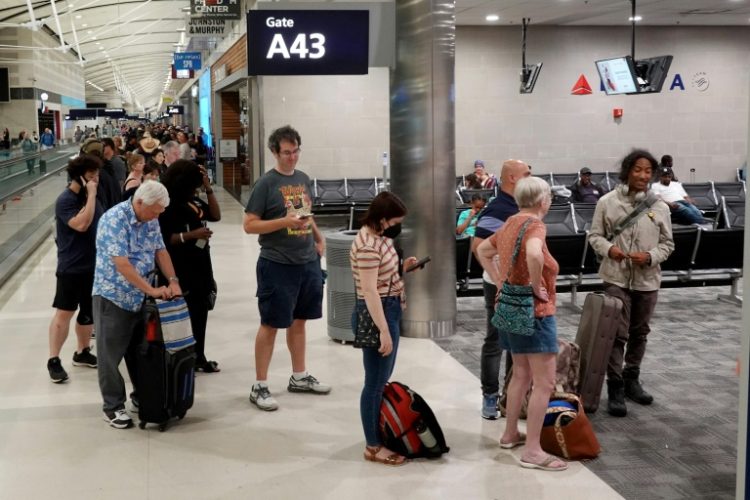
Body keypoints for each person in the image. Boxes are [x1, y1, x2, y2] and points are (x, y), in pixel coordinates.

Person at [476, 176, 566, 471]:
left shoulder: (511, 222)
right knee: (544, 383)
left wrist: (500, 278)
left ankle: (510, 433)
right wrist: (537, 284)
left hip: (510, 308)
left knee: (520, 375)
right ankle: (532, 451)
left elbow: (482, 250)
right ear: (543, 201)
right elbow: (532, 253)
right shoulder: (536, 225)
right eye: (549, 197)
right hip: (535, 313)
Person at [243, 125, 330, 411]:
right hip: (277, 263)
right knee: (270, 324)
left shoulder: (302, 179)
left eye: (296, 152)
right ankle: (260, 385)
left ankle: (300, 375)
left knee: (300, 321)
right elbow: (249, 225)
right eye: (287, 153)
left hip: (307, 262)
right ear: (274, 152)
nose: (292, 158)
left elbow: (305, 213)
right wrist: (284, 222)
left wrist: (317, 237)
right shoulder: (266, 184)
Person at [588, 149, 674, 417]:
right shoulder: (607, 202)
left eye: (648, 171)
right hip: (616, 276)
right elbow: (594, 236)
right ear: (627, 171)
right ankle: (614, 386)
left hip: (648, 280)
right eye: (638, 169)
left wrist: (650, 257)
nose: (643, 175)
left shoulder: (659, 206)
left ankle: (631, 379)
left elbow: (668, 244)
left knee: (640, 333)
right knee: (616, 333)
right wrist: (609, 249)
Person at [93, 181, 182, 429]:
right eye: (155, 210)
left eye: (160, 212)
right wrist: (152, 289)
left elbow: (160, 250)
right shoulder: (115, 220)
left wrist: (172, 281)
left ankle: (142, 397)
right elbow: (122, 264)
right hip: (113, 296)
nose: (157, 215)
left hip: (140, 298)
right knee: (109, 356)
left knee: (139, 352)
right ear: (140, 202)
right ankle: (112, 406)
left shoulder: (151, 217)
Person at [349, 192, 421, 466]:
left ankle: (377, 432)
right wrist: (383, 330)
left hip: (388, 308)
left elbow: (381, 277)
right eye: (394, 221)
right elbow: (368, 291)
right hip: (376, 314)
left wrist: (404, 268)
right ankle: (373, 446)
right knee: (375, 384)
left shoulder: (380, 238)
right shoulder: (368, 245)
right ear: (382, 219)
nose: (396, 226)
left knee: (381, 379)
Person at [471, 159, 530, 420]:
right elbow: (478, 246)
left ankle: (511, 395)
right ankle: (490, 395)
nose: (531, 177)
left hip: (519, 285)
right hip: (498, 285)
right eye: (526, 174)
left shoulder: (523, 208)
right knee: (495, 341)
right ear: (513, 179)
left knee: (516, 343)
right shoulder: (497, 209)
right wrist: (498, 278)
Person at [160, 160, 221, 373]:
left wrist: (208, 188)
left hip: (201, 261)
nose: (197, 188)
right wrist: (192, 235)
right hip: (181, 264)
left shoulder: (193, 200)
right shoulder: (168, 205)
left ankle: (199, 355)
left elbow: (215, 215)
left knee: (200, 310)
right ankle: (183, 359)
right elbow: (167, 239)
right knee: (183, 313)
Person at [47, 154, 104, 383]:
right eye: (91, 176)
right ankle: (53, 359)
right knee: (65, 312)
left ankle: (82, 351)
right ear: (79, 176)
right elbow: (82, 224)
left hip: (94, 266)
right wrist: (90, 195)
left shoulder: (94, 198)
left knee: (88, 313)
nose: (95, 180)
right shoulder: (66, 200)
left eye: (97, 175)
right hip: (72, 267)